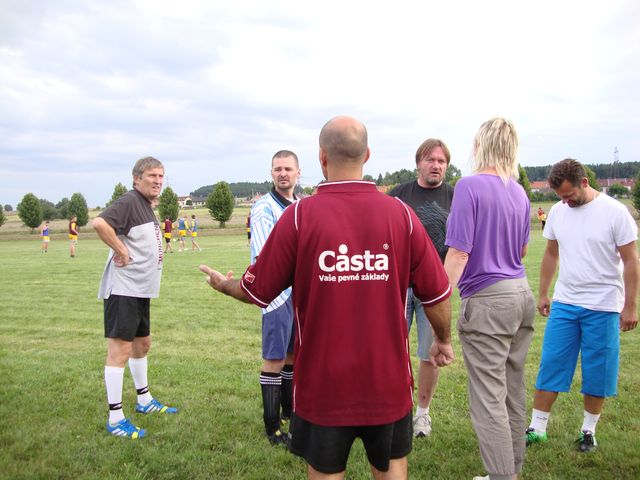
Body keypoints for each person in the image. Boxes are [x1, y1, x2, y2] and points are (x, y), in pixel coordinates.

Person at [200, 116, 454, 480]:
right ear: (367, 155)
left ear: (321, 157)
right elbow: (437, 292)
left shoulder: (299, 216)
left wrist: (224, 284)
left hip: (323, 386)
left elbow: (257, 290)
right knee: (392, 469)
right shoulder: (401, 214)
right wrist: (443, 340)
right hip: (387, 381)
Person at [525, 158, 638, 453]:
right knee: (552, 362)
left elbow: (631, 261)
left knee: (597, 370)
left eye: (569, 195)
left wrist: (630, 306)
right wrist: (544, 293)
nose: (565, 201)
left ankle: (588, 431)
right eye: (560, 197)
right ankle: (537, 428)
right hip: (566, 303)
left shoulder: (615, 212)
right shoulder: (558, 212)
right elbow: (551, 254)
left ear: (584, 182)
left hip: (604, 306)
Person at [444, 118, 535, 480]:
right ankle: (513, 469)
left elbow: (459, 253)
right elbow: (523, 249)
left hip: (487, 298)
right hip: (520, 293)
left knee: (488, 398)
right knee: (513, 389)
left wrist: (439, 298)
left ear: (480, 145)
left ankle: (501, 475)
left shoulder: (468, 187)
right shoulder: (519, 191)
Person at [93, 156, 178, 439]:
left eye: (161, 176)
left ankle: (144, 400)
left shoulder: (145, 205)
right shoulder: (129, 201)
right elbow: (100, 223)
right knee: (120, 351)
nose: (158, 181)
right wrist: (121, 250)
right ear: (136, 178)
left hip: (140, 291)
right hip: (123, 290)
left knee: (142, 344)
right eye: (152, 175)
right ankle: (115, 418)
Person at [388, 138, 454, 438]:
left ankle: (422, 414)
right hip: (398, 287)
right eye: (431, 160)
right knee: (392, 349)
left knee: (431, 353)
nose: (436, 166)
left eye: (441, 161)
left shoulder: (456, 197)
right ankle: (394, 410)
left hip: (435, 292)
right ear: (418, 163)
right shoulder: (399, 195)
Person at [249, 150, 301, 445]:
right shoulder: (264, 207)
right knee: (274, 358)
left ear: (298, 173)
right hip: (277, 295)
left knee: (292, 356)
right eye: (278, 169)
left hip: (298, 294)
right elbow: (264, 255)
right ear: (271, 173)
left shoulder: (300, 206)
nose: (283, 173)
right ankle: (272, 429)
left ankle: (289, 412)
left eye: (288, 169)